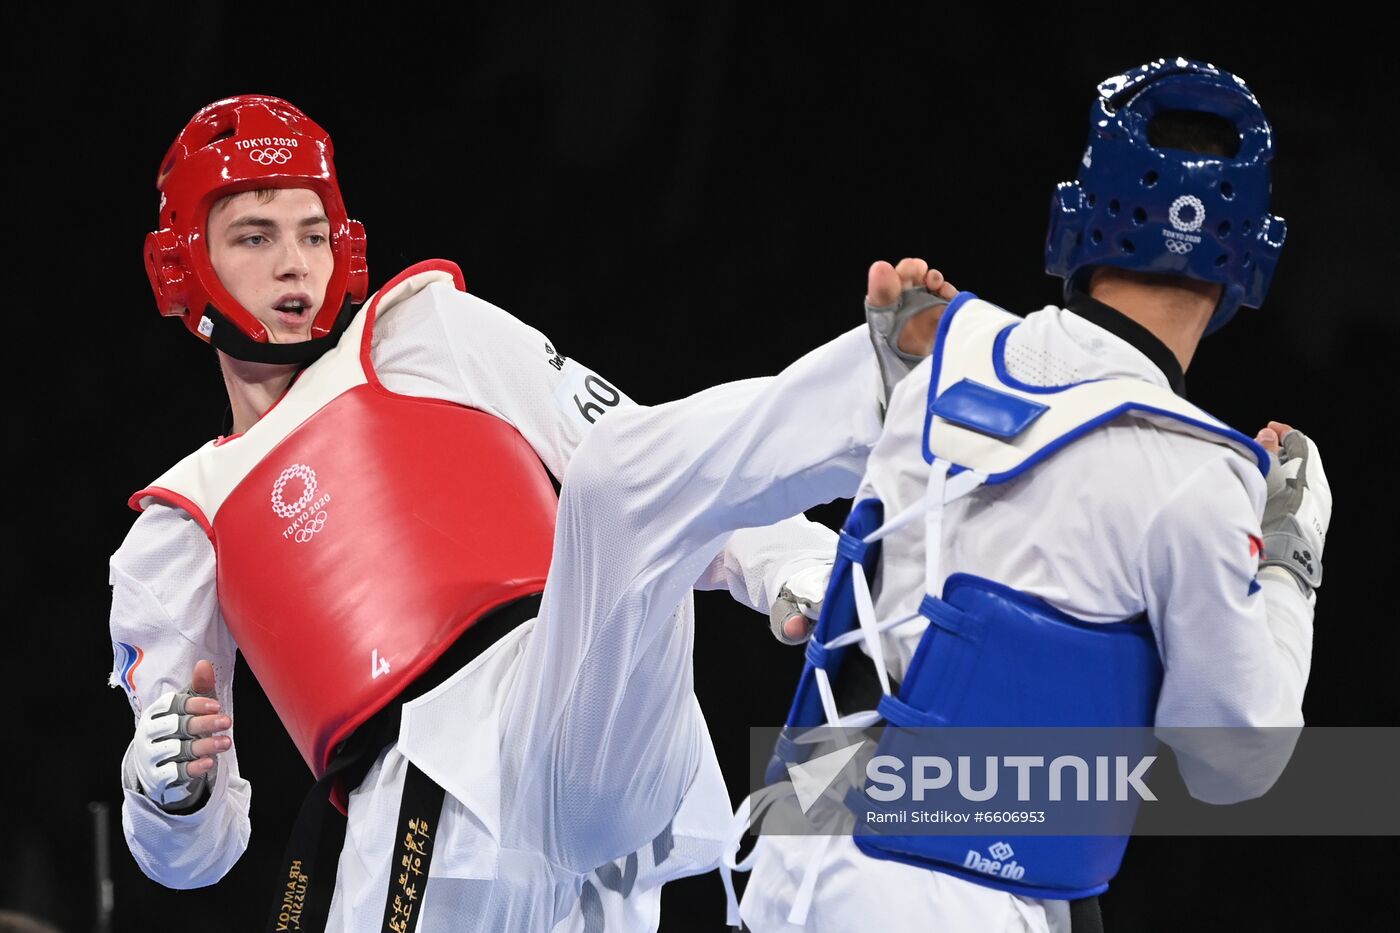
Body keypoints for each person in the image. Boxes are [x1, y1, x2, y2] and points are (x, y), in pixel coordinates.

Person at [109, 95, 856, 931]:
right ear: (183, 264)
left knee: (616, 476)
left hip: (570, 707)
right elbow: (198, 858)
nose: (295, 264)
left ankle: (886, 387)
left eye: (312, 233)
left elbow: (637, 449)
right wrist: (170, 791)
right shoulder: (178, 526)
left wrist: (785, 561)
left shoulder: (426, 331)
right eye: (256, 235)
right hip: (416, 816)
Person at [733, 58, 1332, 932]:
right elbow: (1233, 758)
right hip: (953, 898)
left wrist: (896, 388)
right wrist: (1289, 558)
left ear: (1077, 215)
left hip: (793, 857)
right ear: (1246, 260)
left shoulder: (943, 354)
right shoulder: (1198, 477)